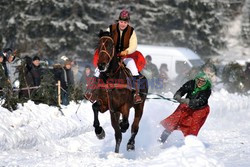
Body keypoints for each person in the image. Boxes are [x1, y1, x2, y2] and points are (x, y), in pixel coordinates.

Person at [98, 9, 142, 104]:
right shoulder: (111, 28)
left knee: (133, 68)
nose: (122, 24)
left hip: (124, 56)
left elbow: (134, 45)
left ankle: (136, 93)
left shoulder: (131, 31)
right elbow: (105, 40)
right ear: (118, 21)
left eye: (125, 22)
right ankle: (92, 92)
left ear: (128, 22)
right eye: (121, 22)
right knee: (98, 68)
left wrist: (126, 51)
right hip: (111, 57)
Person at [158, 71, 212, 143]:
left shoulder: (207, 90)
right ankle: (162, 140)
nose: (200, 82)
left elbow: (200, 101)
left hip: (200, 110)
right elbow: (182, 89)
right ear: (196, 79)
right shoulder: (191, 83)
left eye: (203, 81)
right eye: (198, 80)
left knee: (193, 128)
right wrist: (178, 95)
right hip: (186, 106)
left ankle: (189, 145)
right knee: (173, 121)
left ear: (206, 82)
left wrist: (188, 101)